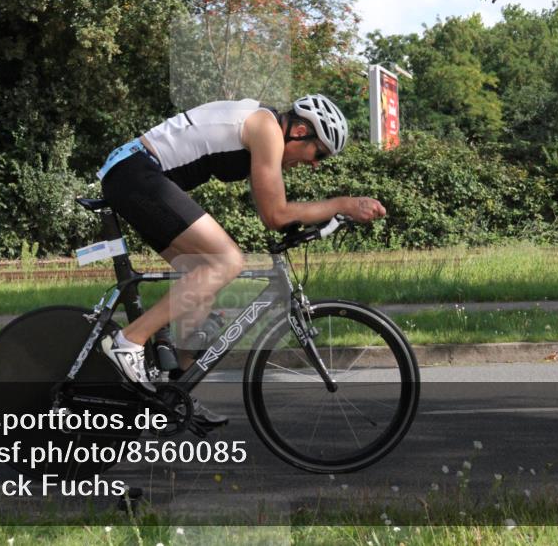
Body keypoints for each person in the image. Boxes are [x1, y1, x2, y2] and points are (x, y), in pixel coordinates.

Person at [97, 95, 387, 427]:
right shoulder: (266, 128)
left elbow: (277, 211)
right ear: (300, 130)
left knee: (199, 276)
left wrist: (317, 220)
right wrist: (343, 204)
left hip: (134, 174)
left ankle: (176, 389)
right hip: (135, 171)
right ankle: (128, 342)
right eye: (318, 153)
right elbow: (275, 215)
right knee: (226, 262)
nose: (315, 164)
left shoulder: (263, 131)